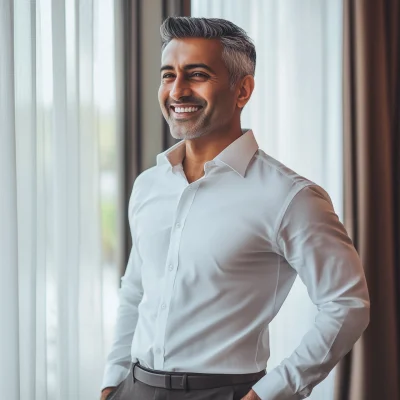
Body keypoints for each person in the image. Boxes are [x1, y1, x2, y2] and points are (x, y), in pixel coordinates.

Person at [100, 16, 370, 400]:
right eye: (168, 75)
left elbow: (347, 304)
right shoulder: (148, 186)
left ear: (242, 90)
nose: (177, 90)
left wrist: (273, 392)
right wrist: (113, 381)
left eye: (196, 75)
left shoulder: (291, 197)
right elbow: (135, 291)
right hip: (135, 388)